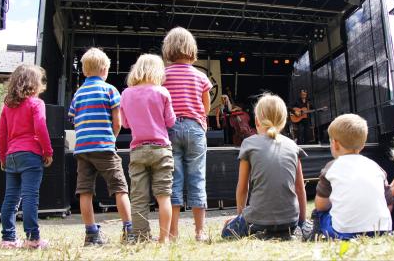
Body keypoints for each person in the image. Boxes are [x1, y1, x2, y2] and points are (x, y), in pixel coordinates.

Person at [68, 47, 133, 246]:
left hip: (83, 149)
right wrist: (111, 138)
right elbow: (118, 122)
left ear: (85, 71)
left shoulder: (78, 94)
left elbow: (74, 121)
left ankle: (91, 234)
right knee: (120, 188)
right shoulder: (110, 90)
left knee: (85, 191)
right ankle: (129, 231)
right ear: (105, 69)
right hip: (104, 147)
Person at [221, 93, 309, 240]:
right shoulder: (293, 146)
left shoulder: (248, 144)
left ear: (256, 120)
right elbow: (300, 188)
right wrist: (302, 222)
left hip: (257, 222)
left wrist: (240, 218)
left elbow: (243, 188)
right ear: (283, 121)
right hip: (290, 222)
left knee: (227, 230)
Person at [161, 27, 212, 242]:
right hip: (195, 128)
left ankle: (173, 233)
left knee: (174, 180)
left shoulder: (162, 75)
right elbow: (206, 107)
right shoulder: (200, 76)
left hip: (171, 129)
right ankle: (199, 232)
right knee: (197, 177)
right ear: (191, 49)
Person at [308, 114, 392, 241]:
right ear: (363, 145)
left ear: (335, 144)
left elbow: (321, 205)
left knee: (318, 214)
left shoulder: (331, 168)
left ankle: (315, 232)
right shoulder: (376, 167)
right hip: (381, 231)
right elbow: (389, 203)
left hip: (343, 233)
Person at [120, 54, 176, 243]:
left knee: (138, 198)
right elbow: (170, 121)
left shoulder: (126, 93)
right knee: (163, 196)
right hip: (161, 150)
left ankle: (142, 238)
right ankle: (164, 239)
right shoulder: (162, 92)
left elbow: (125, 124)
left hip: (137, 150)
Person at [0, 64, 53, 249]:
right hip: (30, 154)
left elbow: (2, 135)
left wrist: (3, 157)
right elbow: (40, 127)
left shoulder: (7, 106)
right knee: (30, 196)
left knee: (11, 199)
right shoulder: (36, 103)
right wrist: (48, 151)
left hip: (11, 155)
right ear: (35, 84)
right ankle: (33, 239)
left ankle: (8, 239)